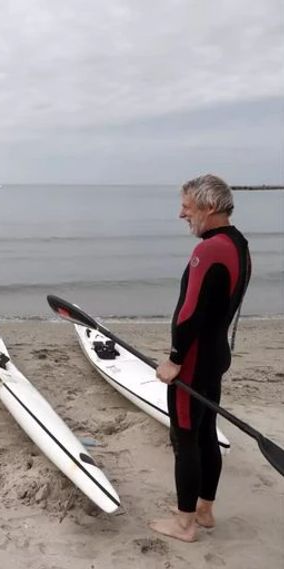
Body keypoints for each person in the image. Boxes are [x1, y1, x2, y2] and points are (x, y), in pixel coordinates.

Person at [151, 174, 251, 541]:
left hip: (192, 362)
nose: (181, 214)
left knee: (185, 438)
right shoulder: (239, 244)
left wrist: (175, 359)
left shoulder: (207, 250)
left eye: (186, 207)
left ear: (209, 208)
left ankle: (184, 523)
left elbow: (189, 312)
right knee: (206, 433)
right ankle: (205, 511)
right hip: (215, 355)